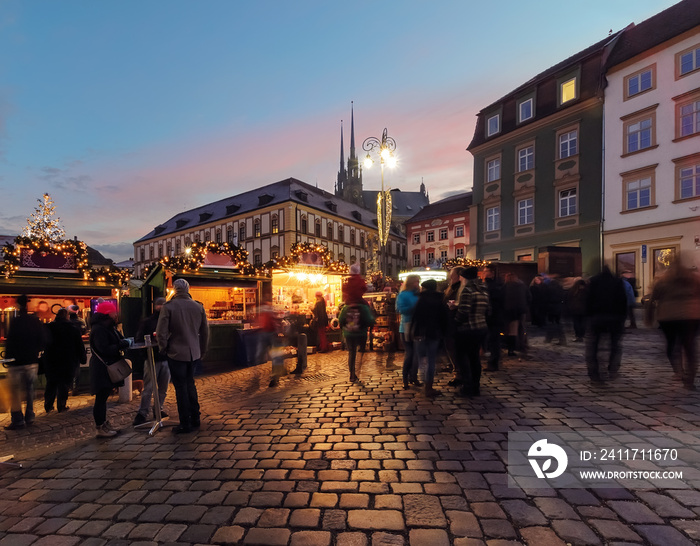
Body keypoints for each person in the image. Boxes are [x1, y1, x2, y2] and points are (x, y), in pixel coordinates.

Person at [156, 278, 209, 434]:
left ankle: (185, 422)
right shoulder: (198, 306)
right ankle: (195, 417)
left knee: (180, 388)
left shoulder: (169, 307)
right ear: (188, 289)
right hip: (194, 352)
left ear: (175, 289)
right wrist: (202, 350)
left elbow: (161, 332)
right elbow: (205, 331)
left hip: (176, 352)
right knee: (190, 384)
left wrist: (163, 348)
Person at [647, 258, 700, 389]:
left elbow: (652, 299)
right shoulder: (694, 279)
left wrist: (649, 317)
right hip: (690, 316)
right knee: (689, 348)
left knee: (671, 344)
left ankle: (678, 371)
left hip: (667, 317)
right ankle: (689, 379)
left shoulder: (663, 281)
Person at [4, 294, 49, 430]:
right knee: (30, 390)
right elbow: (43, 339)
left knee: (15, 391)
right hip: (31, 361)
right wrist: (36, 351)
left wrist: (8, 358)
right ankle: (29, 415)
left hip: (17, 362)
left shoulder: (15, 321)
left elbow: (10, 341)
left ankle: (17, 419)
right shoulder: (35, 321)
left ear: (18, 305)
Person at [89, 301, 129, 437]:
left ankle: (103, 424)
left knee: (104, 397)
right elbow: (104, 348)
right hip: (102, 368)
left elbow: (119, 340)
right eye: (114, 312)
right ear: (107, 314)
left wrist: (123, 341)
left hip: (108, 366)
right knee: (101, 398)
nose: (116, 314)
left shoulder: (109, 327)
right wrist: (121, 344)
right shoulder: (99, 329)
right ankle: (100, 427)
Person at [585, 266, 627, 383]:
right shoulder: (617, 282)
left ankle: (594, 373)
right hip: (615, 318)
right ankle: (613, 369)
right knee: (615, 346)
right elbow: (623, 301)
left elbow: (588, 300)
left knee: (592, 346)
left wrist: (588, 316)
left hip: (596, 317)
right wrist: (622, 318)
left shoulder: (593, 282)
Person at [133, 297, 171, 426]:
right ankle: (142, 412)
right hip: (152, 358)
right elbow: (140, 338)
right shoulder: (148, 322)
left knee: (163, 387)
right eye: (160, 305)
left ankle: (158, 409)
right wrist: (146, 353)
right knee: (149, 387)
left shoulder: (169, 321)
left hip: (164, 358)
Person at [453, 267, 490, 397]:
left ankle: (467, 387)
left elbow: (464, 311)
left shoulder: (467, 290)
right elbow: (488, 310)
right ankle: (475, 386)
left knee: (462, 358)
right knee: (474, 358)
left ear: (465, 278)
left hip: (467, 329)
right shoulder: (483, 289)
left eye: (461, 277)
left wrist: (455, 323)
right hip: (481, 327)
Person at [44, 308, 86, 414]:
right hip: (67, 360)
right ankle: (61, 405)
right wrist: (83, 358)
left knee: (51, 383)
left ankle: (48, 405)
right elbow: (79, 345)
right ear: (67, 316)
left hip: (51, 359)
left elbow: (44, 342)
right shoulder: (73, 328)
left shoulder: (49, 327)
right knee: (64, 384)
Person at [411, 279, 448, 396]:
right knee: (431, 361)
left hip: (421, 333)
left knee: (421, 359)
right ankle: (429, 386)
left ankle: (422, 381)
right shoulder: (440, 299)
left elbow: (416, 317)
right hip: (434, 333)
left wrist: (414, 331)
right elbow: (444, 318)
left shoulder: (420, 299)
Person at [339, 297, 374, 382]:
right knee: (360, 353)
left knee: (352, 353)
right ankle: (357, 372)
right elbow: (369, 320)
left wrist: (344, 328)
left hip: (349, 333)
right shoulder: (364, 306)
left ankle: (352, 374)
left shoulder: (345, 307)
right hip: (361, 333)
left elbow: (340, 320)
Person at [397, 274, 421, 389]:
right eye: (416, 281)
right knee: (410, 353)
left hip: (417, 326)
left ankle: (414, 377)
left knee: (416, 353)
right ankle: (405, 378)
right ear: (411, 282)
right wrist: (415, 306)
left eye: (418, 281)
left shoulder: (418, 294)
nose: (418, 284)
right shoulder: (403, 294)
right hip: (406, 326)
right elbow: (400, 309)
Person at [444, 266, 464, 386]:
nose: (450, 276)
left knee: (455, 350)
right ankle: (457, 371)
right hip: (450, 322)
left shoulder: (460, 289)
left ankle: (459, 374)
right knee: (451, 349)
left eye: (452, 274)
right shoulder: (451, 287)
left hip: (455, 323)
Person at [482, 266, 504, 371]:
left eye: (486, 271)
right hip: (494, 316)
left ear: (492, 273)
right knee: (492, 340)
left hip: (493, 317)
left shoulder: (492, 286)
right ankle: (493, 361)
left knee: (493, 340)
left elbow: (493, 302)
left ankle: (493, 363)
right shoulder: (495, 284)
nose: (484, 273)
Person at [503, 272, 529, 357]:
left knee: (509, 331)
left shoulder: (505, 287)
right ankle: (521, 346)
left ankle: (510, 349)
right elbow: (529, 297)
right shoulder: (522, 286)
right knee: (521, 329)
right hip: (521, 311)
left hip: (508, 312)